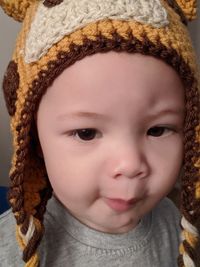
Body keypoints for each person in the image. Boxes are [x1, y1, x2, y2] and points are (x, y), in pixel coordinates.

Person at [0, 0, 199, 267]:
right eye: (86, 133)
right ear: (34, 139)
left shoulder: (175, 221)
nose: (130, 165)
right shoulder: (9, 250)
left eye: (157, 130)